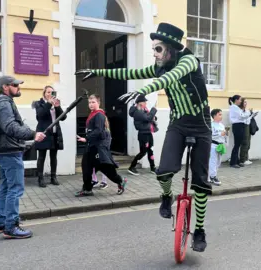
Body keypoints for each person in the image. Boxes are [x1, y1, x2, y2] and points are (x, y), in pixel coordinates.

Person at [76, 22, 211, 252]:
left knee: (200, 183)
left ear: (171, 49)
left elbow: (170, 78)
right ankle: (167, 197)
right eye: (153, 48)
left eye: (158, 49)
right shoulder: (160, 65)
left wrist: (145, 91)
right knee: (163, 171)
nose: (155, 53)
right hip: (178, 124)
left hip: (201, 126)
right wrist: (98, 71)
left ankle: (199, 230)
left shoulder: (188, 61)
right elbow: (130, 72)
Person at [0, 76, 46, 239]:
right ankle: (11, 226)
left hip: (3, 149)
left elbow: (18, 124)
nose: (18, 87)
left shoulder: (0, 102)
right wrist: (33, 134)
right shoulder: (4, 104)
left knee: (6, 187)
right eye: (15, 85)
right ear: (5, 87)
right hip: (9, 150)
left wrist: (32, 132)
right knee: (15, 188)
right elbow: (11, 127)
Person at [76, 94, 127, 197]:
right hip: (91, 147)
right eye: (89, 102)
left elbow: (98, 131)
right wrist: (86, 139)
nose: (91, 104)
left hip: (98, 148)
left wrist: (86, 138)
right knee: (86, 167)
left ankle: (120, 182)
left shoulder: (99, 115)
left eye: (93, 102)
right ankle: (87, 189)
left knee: (106, 169)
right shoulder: (93, 114)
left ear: (98, 103)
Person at [32, 86, 67, 187]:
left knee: (53, 156)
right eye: (48, 92)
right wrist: (48, 103)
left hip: (55, 134)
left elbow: (63, 117)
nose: (50, 94)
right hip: (43, 133)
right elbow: (40, 115)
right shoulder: (39, 103)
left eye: (52, 92)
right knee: (41, 157)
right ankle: (40, 179)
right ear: (44, 93)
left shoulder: (55, 104)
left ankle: (53, 177)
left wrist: (57, 106)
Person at [128, 94, 158, 175]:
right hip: (143, 135)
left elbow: (149, 117)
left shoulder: (144, 110)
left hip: (148, 133)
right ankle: (132, 167)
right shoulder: (137, 112)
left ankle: (153, 168)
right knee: (143, 152)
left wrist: (154, 117)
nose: (146, 104)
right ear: (140, 103)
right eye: (145, 102)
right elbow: (147, 118)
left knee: (151, 150)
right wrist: (154, 109)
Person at [229, 95, 258, 168]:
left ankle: (237, 161)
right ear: (236, 100)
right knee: (236, 145)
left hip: (241, 125)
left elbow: (243, 117)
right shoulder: (234, 107)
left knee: (238, 144)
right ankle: (233, 162)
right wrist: (249, 113)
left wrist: (250, 115)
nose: (241, 101)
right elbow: (241, 116)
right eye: (240, 100)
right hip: (237, 126)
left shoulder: (237, 108)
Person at [208, 109, 227, 186]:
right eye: (219, 114)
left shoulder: (222, 125)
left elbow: (224, 135)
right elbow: (211, 135)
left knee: (218, 162)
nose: (221, 116)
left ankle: (212, 174)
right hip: (213, 145)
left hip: (220, 145)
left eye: (221, 114)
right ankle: (212, 176)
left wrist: (225, 135)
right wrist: (220, 134)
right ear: (214, 116)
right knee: (213, 161)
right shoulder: (211, 125)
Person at [239, 98, 254, 166]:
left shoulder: (246, 110)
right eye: (244, 102)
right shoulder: (239, 110)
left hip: (247, 125)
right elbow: (242, 118)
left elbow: (247, 119)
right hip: (243, 126)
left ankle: (246, 158)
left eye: (246, 102)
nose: (246, 104)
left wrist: (252, 115)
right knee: (245, 142)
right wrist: (249, 114)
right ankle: (243, 159)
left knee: (248, 142)